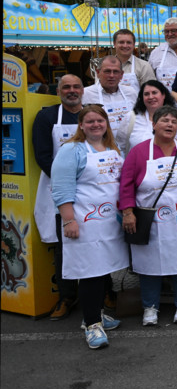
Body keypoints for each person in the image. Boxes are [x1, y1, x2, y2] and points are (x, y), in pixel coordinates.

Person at [50, 105, 126, 349]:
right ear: (81, 125)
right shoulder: (71, 150)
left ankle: (97, 313)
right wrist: (69, 220)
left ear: (106, 124)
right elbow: (61, 188)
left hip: (109, 223)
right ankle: (92, 324)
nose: (96, 125)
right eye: (90, 121)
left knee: (103, 270)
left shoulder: (113, 148)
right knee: (90, 272)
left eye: (100, 121)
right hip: (84, 222)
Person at [119, 105, 177, 326]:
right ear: (153, 124)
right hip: (149, 220)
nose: (169, 124)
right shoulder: (139, 152)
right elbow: (126, 184)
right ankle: (150, 307)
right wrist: (127, 212)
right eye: (165, 120)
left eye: (174, 121)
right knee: (149, 264)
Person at [31, 74, 83, 319]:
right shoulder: (46, 117)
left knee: (99, 241)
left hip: (91, 190)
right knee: (65, 245)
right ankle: (67, 296)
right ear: (58, 91)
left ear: (83, 90)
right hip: (59, 189)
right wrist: (67, 182)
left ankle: (105, 292)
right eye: (66, 87)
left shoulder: (92, 115)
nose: (72, 91)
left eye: (76, 87)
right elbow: (42, 156)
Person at [82, 55, 138, 151]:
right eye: (107, 71)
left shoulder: (131, 93)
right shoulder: (86, 94)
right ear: (98, 72)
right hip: (99, 150)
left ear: (121, 74)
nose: (111, 76)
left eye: (115, 72)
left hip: (130, 149)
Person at [123, 80, 177, 154]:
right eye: (146, 94)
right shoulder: (131, 117)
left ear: (163, 95)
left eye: (154, 93)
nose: (151, 97)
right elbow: (122, 145)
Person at [148, 18, 177, 90]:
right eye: (166, 31)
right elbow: (150, 80)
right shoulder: (156, 53)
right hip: (164, 97)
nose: (169, 34)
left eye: (173, 31)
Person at [111, 28, 155, 94]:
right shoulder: (104, 66)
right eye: (121, 42)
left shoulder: (144, 66)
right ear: (114, 44)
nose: (125, 45)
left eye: (129, 42)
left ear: (134, 45)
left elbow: (151, 92)